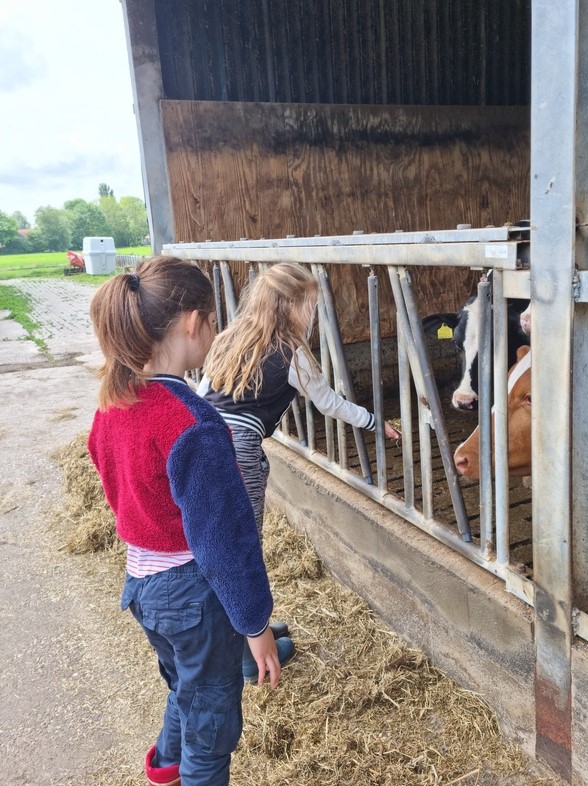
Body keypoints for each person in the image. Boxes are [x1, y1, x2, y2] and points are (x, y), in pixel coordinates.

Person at [87, 256, 291, 786]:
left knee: (186, 688)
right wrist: (255, 625)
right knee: (211, 727)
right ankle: (189, 771)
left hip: (143, 586)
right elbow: (224, 540)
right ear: (194, 323)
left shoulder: (114, 403)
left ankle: (164, 767)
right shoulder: (193, 422)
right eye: (214, 321)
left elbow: (113, 480)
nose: (215, 333)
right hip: (192, 594)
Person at [197, 262, 401, 666]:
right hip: (240, 451)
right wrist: (373, 421)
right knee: (243, 548)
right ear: (289, 305)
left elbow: (203, 395)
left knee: (226, 540)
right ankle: (245, 651)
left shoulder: (228, 338)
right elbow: (328, 404)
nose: (313, 314)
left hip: (208, 441)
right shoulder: (292, 352)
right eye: (310, 305)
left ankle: (249, 628)